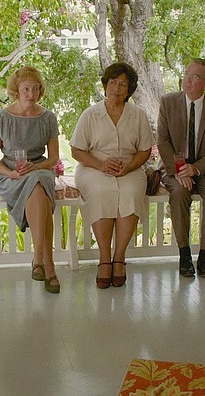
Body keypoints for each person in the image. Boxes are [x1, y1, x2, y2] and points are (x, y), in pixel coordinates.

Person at [70, 62, 153, 288]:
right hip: (93, 167)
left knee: (131, 192)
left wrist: (129, 167)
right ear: (105, 85)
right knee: (101, 191)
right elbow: (76, 150)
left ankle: (119, 258)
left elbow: (145, 150)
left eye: (122, 84)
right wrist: (101, 165)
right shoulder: (90, 114)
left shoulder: (138, 115)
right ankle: (104, 259)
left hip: (129, 167)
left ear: (129, 90)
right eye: (113, 83)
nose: (116, 88)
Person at [0, 66, 61, 294]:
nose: (31, 94)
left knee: (38, 181)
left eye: (36, 89)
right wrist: (10, 173)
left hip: (39, 168)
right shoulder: (1, 118)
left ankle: (39, 258)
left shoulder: (48, 118)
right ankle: (47, 264)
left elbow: (54, 158)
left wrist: (36, 167)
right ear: (16, 90)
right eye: (26, 89)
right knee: (39, 191)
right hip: (10, 173)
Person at [157, 58, 205, 278]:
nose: (187, 80)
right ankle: (184, 255)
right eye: (187, 74)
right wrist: (180, 170)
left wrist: (196, 169)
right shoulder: (168, 102)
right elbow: (163, 141)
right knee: (179, 193)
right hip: (176, 167)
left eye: (195, 77)